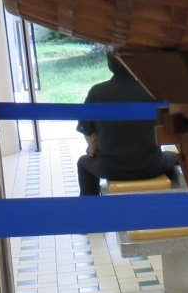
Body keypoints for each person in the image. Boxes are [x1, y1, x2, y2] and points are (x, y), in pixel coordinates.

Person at [76, 51, 178, 196]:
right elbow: (168, 127)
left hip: (109, 168)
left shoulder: (97, 91)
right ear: (136, 65)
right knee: (176, 157)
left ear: (109, 65)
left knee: (83, 163)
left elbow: (88, 134)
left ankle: (90, 208)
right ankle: (179, 202)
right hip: (151, 166)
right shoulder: (152, 91)